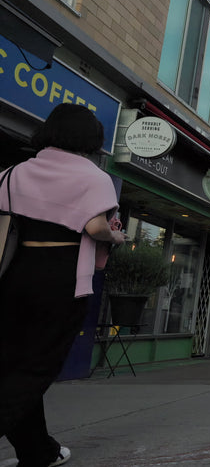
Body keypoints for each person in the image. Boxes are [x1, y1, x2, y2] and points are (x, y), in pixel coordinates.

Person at [0, 104, 128, 467]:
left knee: (13, 363)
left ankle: (38, 451)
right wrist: (116, 239)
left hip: (13, 273)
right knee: (38, 367)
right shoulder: (93, 178)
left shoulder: (14, 173)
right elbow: (95, 229)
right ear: (92, 139)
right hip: (61, 277)